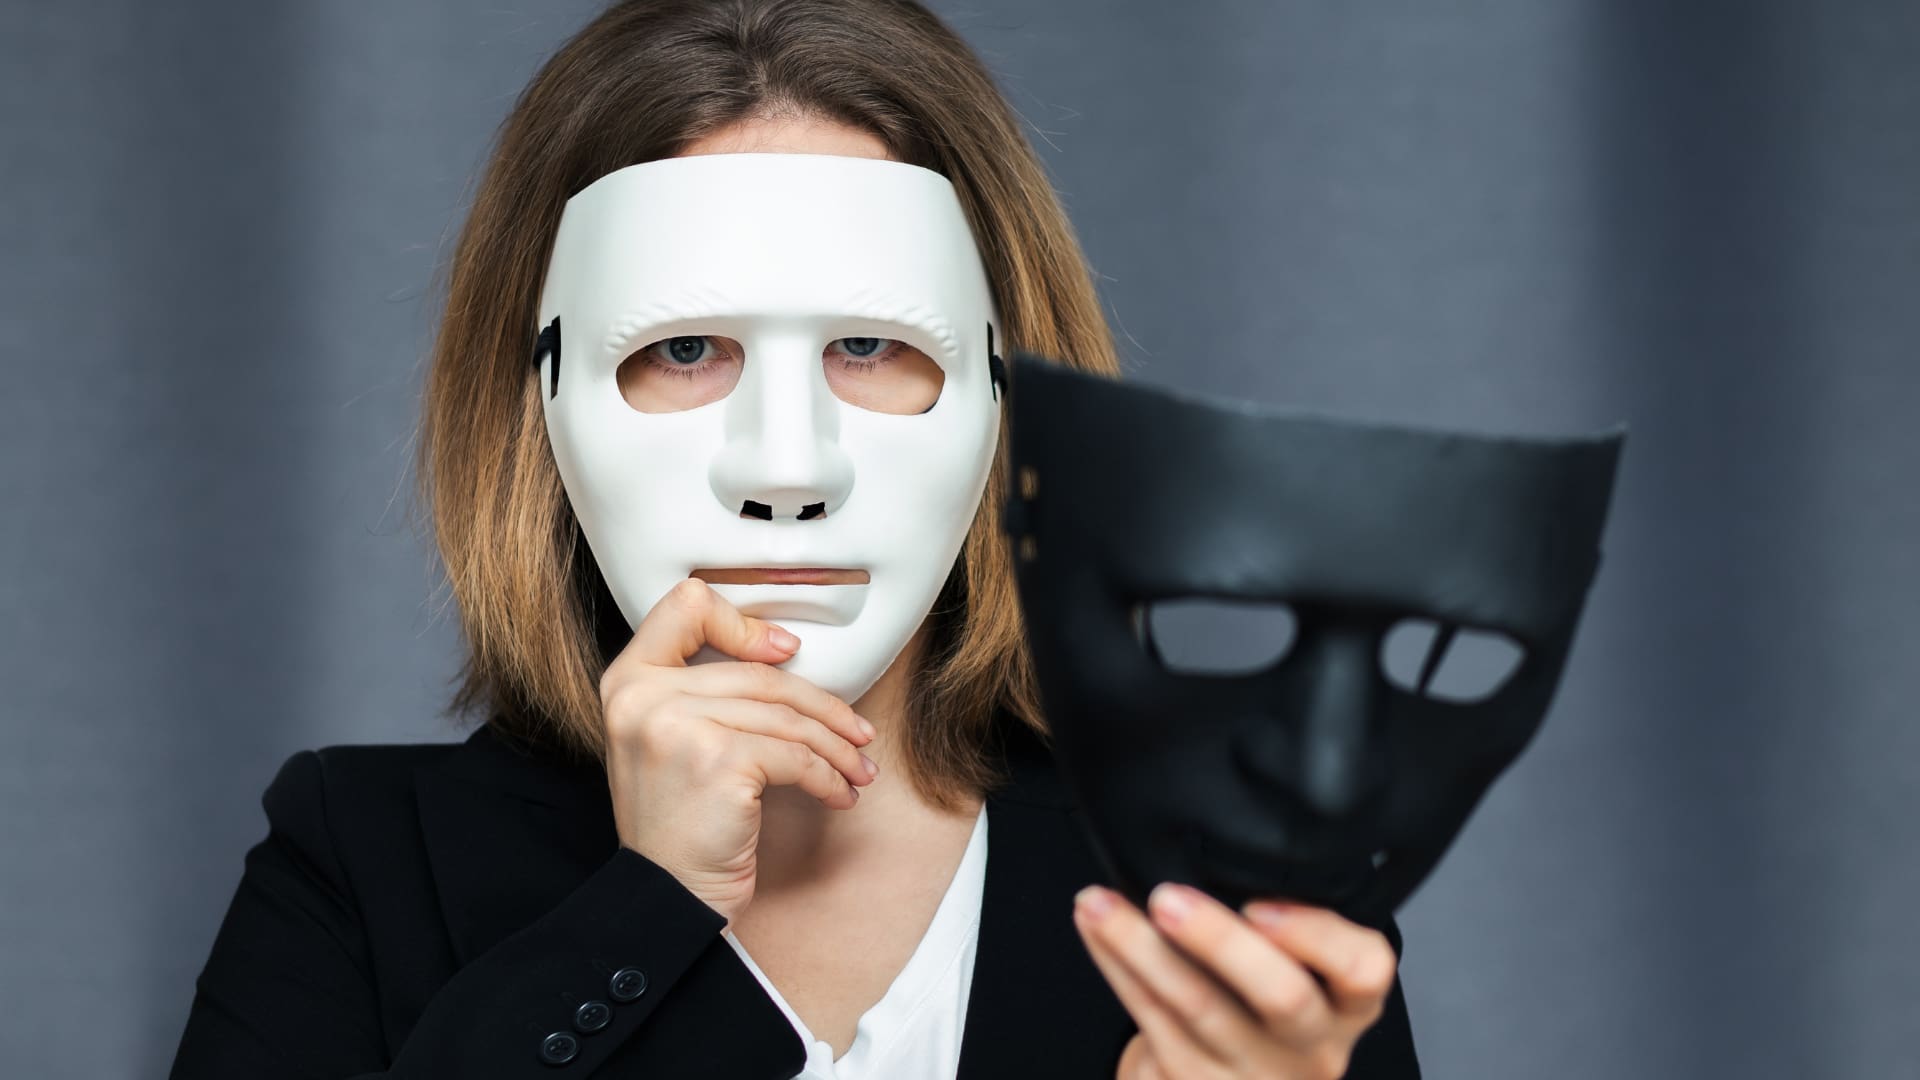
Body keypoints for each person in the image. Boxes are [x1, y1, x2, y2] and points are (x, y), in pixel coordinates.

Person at [168, 2, 1421, 1077]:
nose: (787, 473)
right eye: (684, 349)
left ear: (1010, 384)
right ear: (536, 396)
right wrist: (637, 917)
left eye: (870, 346)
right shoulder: (364, 866)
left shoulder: (1231, 901)